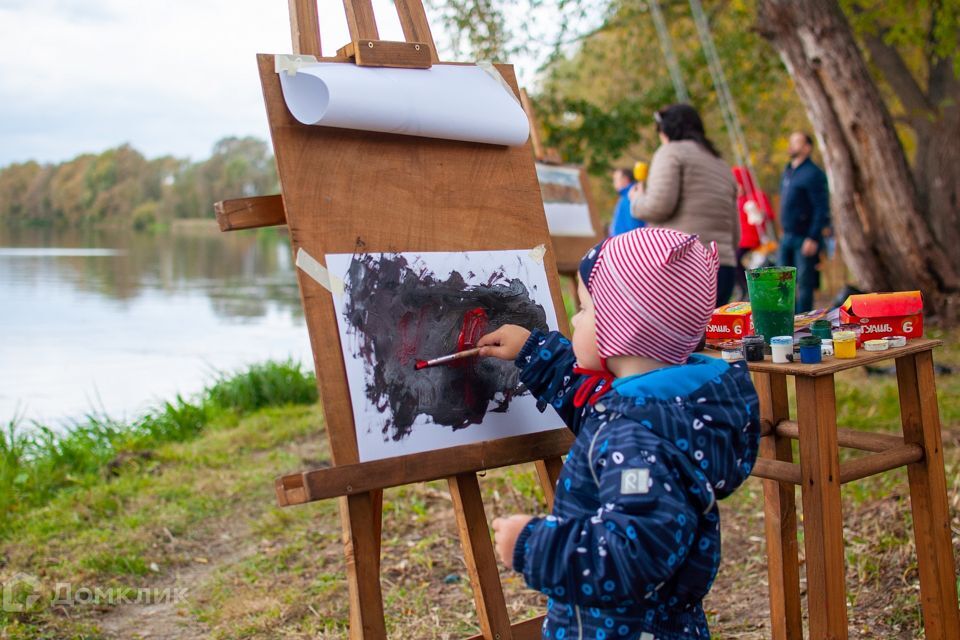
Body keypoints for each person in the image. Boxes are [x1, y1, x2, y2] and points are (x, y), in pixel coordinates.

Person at [478, 227, 760, 640]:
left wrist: (533, 545)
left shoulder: (636, 437)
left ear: (620, 328)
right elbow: (596, 405)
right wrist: (533, 352)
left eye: (586, 309)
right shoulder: (661, 407)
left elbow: (632, 555)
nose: (574, 318)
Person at [630, 104, 739, 306]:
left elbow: (658, 207)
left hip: (684, 269)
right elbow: (735, 232)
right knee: (713, 336)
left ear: (665, 131)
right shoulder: (721, 165)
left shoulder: (671, 152)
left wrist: (637, 200)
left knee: (677, 338)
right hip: (724, 267)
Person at [778, 131, 830, 313]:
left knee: (804, 284)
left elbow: (821, 208)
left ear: (807, 147)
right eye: (791, 141)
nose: (791, 145)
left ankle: (803, 323)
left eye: (797, 142)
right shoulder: (788, 171)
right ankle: (784, 320)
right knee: (781, 282)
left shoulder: (813, 173)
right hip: (786, 237)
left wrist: (813, 237)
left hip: (804, 238)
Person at [731, 165, 775, 299]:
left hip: (754, 239)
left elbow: (769, 215)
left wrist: (760, 213)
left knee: (736, 259)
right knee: (733, 261)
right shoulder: (737, 200)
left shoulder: (756, 196)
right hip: (741, 240)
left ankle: (747, 287)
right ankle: (744, 287)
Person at [609, 167, 644, 236]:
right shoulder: (625, 196)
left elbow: (634, 225)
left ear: (625, 179)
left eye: (616, 179)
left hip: (628, 241)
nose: (614, 183)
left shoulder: (631, 195)